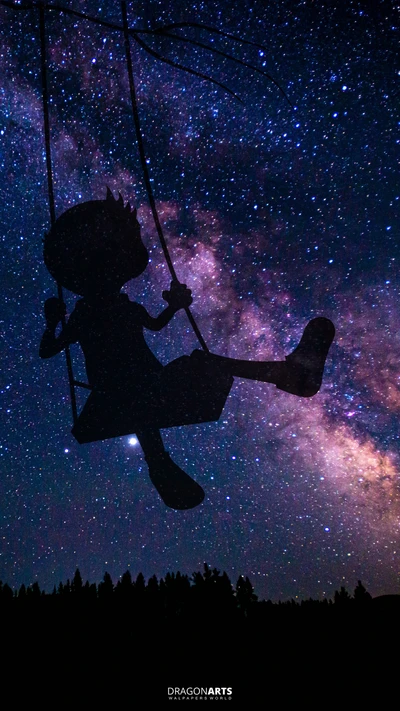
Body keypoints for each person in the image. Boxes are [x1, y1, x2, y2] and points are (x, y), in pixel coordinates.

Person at [40, 188, 335, 510]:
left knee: (164, 398)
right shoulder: (87, 314)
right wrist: (54, 322)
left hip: (143, 383)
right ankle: (287, 374)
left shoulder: (124, 307)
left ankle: (162, 467)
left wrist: (175, 306)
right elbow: (50, 349)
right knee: (188, 372)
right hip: (122, 389)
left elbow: (154, 325)